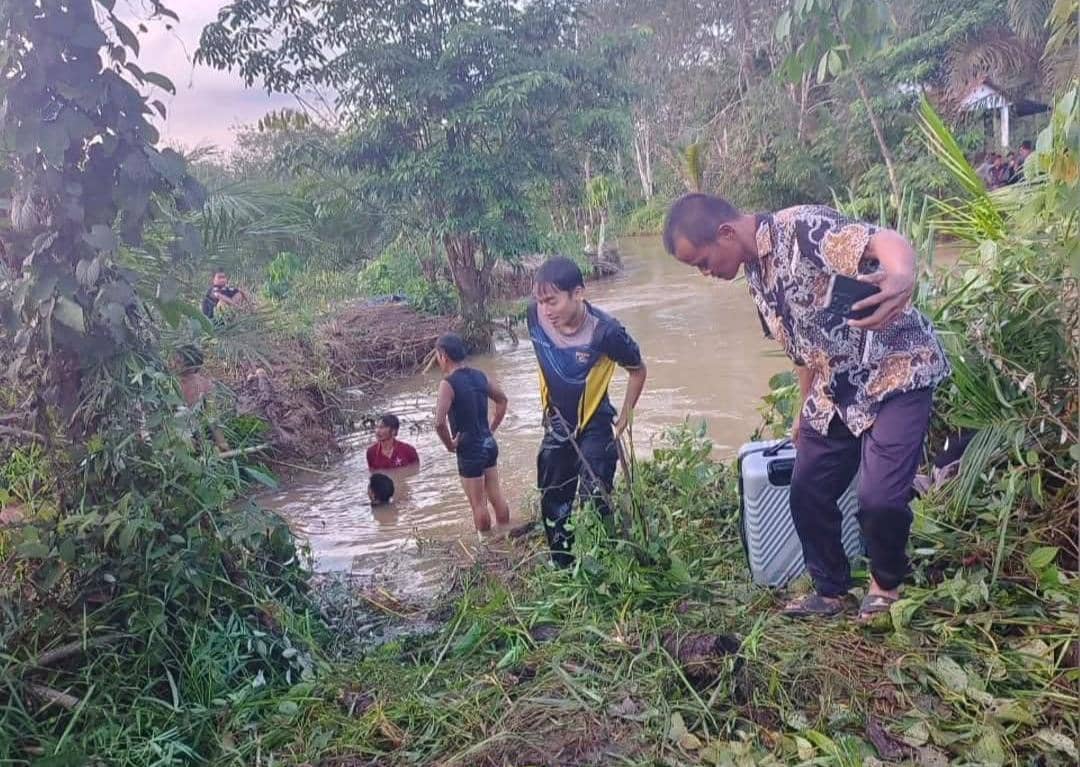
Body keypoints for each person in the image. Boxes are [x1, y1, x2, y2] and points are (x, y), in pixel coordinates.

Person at [663, 194, 949, 621]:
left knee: (880, 499)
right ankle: (831, 591)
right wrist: (802, 410)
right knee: (807, 490)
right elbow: (802, 350)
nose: (705, 273)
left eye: (702, 262)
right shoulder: (755, 275)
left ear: (725, 233)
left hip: (897, 369)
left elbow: (884, 240)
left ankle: (885, 586)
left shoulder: (801, 230)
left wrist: (903, 275)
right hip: (836, 385)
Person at [527, 257, 647, 567]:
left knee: (595, 496)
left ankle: (603, 560)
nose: (546, 309)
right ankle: (563, 566)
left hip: (594, 421)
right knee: (553, 495)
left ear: (578, 293)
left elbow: (637, 369)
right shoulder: (534, 317)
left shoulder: (605, 333)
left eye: (552, 300)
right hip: (556, 422)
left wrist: (626, 416)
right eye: (541, 301)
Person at [432, 333, 511, 533]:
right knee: (496, 495)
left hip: (469, 448)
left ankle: (486, 545)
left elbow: (439, 423)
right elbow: (502, 400)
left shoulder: (447, 384)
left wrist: (450, 445)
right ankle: (506, 531)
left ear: (444, 356)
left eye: (437, 356)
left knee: (478, 504)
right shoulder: (480, 375)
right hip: (488, 443)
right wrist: (491, 429)